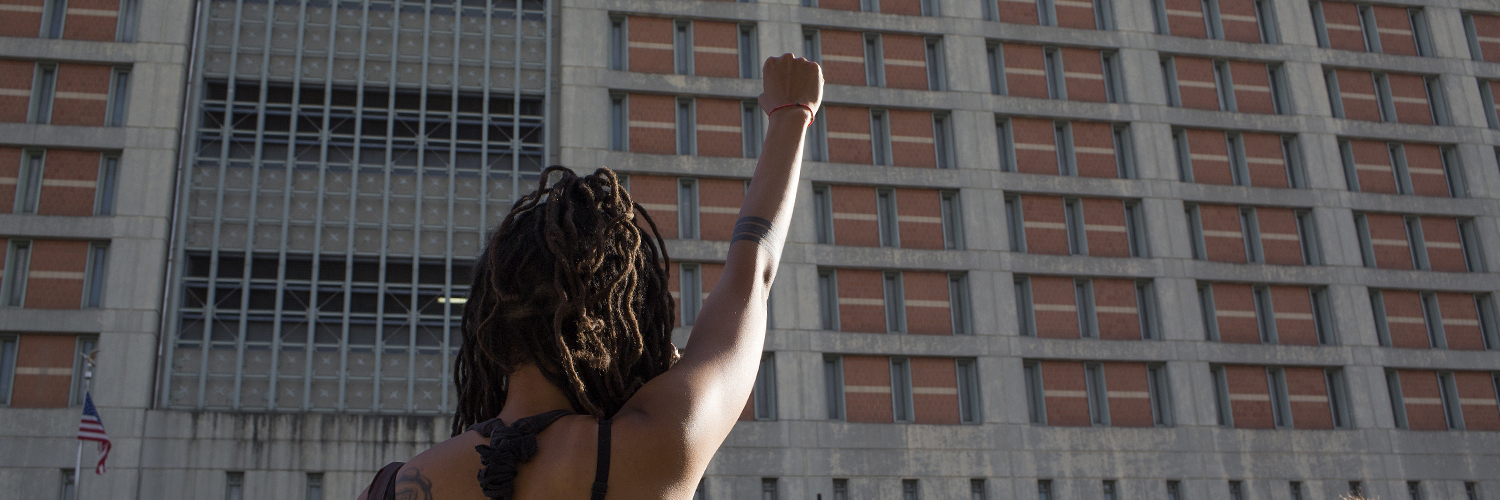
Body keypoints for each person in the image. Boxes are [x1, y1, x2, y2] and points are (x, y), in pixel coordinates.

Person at [357, 53, 823, 500]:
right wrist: (791, 114)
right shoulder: (655, 444)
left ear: (492, 322)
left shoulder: (397, 486)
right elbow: (751, 274)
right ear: (625, 327)